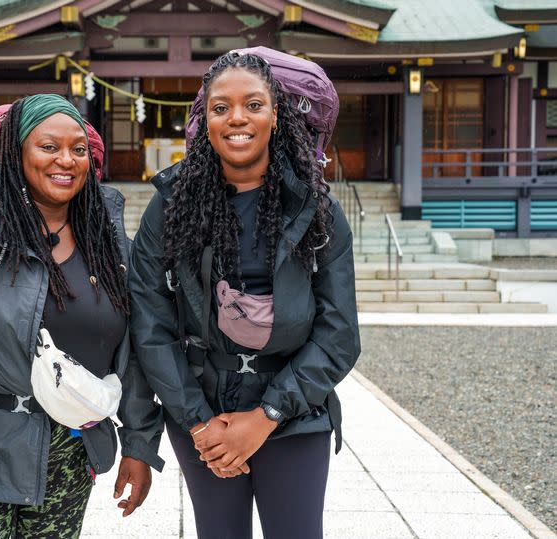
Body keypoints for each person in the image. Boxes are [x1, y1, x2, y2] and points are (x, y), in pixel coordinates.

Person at [0, 94, 164, 538]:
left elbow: (132, 353)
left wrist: (139, 444)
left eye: (78, 149)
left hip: (71, 454)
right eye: (48, 147)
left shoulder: (110, 244)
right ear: (15, 152)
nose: (66, 160)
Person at [129, 52, 360, 539]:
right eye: (220, 108)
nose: (236, 118)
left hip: (295, 410)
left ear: (276, 114)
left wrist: (267, 415)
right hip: (202, 407)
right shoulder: (170, 207)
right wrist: (198, 422)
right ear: (205, 120)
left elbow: (339, 334)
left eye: (253, 104)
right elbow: (150, 323)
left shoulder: (317, 210)